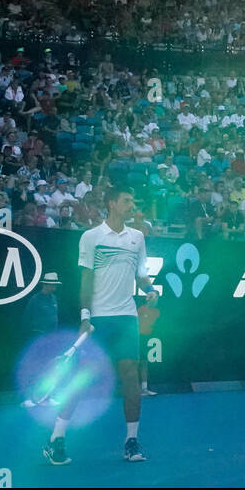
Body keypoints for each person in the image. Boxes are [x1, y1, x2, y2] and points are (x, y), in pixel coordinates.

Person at [44, 187, 153, 466]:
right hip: (99, 319)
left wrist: (149, 288)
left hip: (127, 318)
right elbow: (86, 281)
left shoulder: (137, 237)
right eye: (127, 200)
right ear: (112, 203)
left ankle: (131, 441)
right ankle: (56, 438)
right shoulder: (91, 237)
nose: (132, 204)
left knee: (130, 379)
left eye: (133, 200)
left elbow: (140, 274)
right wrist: (85, 316)